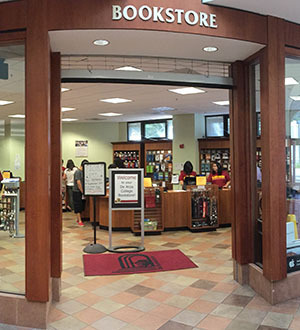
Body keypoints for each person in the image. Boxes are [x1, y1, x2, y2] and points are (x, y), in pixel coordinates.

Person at [73, 159, 88, 226]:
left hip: (82, 192)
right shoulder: (78, 172)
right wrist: (82, 191)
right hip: (77, 191)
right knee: (78, 206)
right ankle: (79, 220)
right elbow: (78, 183)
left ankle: (78, 218)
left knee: (82, 206)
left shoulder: (83, 172)